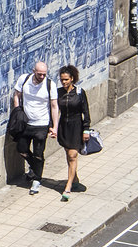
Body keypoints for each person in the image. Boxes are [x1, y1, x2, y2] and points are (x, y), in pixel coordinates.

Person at [12, 60, 59, 195]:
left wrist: (55, 126)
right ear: (34, 71)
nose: (42, 77)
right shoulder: (24, 79)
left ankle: (37, 180)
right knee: (21, 149)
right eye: (39, 74)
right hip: (26, 123)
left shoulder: (50, 85)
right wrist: (17, 111)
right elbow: (17, 95)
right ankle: (34, 168)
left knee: (38, 153)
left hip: (41, 124)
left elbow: (54, 106)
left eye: (44, 74)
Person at [56, 64, 91, 201]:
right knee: (68, 154)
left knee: (72, 155)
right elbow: (54, 109)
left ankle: (68, 186)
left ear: (72, 79)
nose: (64, 82)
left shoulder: (79, 92)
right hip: (64, 125)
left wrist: (86, 129)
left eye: (66, 79)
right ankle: (75, 178)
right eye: (62, 80)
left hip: (76, 126)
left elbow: (86, 112)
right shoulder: (58, 93)